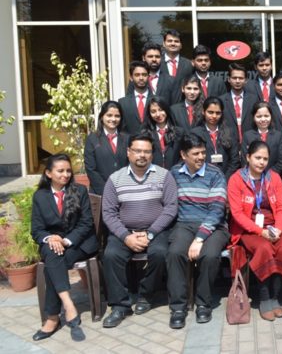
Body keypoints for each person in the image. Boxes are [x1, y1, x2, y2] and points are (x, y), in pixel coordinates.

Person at [101, 133, 178, 328]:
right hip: (125, 231)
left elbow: (171, 208)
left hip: (156, 230)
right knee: (110, 255)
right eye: (137, 151)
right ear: (128, 152)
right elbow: (109, 213)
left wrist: (151, 233)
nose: (142, 155)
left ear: (152, 154)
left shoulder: (164, 176)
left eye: (147, 151)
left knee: (160, 253)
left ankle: (146, 295)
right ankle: (120, 306)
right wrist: (126, 237)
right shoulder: (115, 179)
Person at [31, 154, 98, 342]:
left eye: (68, 170)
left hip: (79, 243)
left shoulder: (79, 191)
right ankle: (69, 306)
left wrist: (65, 241)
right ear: (48, 173)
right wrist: (50, 238)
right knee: (52, 254)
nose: (66, 174)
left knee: (52, 263)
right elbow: (37, 229)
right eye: (60, 171)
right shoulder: (40, 196)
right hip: (53, 245)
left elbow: (86, 224)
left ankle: (53, 318)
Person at [166, 133, 230, 329]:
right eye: (196, 153)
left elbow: (217, 209)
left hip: (214, 226)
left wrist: (200, 238)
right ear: (183, 155)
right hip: (184, 224)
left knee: (209, 255)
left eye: (203, 152)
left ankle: (203, 303)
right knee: (175, 253)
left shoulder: (215, 174)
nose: (201, 157)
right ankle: (178, 307)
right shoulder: (174, 173)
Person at [228, 141, 282, 321]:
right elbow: (237, 214)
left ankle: (275, 296)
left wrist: (279, 229)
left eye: (265, 159)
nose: (261, 162)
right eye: (257, 158)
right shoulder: (236, 179)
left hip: (273, 226)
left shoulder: (274, 177)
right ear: (248, 157)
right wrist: (260, 231)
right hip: (248, 228)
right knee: (264, 248)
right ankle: (264, 298)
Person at [84, 100, 129, 195]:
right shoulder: (92, 139)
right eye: (109, 115)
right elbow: (90, 169)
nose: (113, 119)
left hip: (124, 191)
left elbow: (131, 165)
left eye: (117, 116)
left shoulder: (127, 138)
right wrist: (106, 191)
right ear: (101, 117)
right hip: (101, 193)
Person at [191, 96, 241, 180]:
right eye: (210, 112)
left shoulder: (230, 132)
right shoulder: (195, 133)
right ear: (203, 111)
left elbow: (234, 161)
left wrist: (224, 179)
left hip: (225, 178)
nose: (214, 116)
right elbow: (193, 159)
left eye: (218, 113)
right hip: (202, 179)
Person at [241, 102, 282, 177]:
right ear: (254, 117)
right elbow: (244, 159)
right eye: (259, 116)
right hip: (252, 177)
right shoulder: (247, 136)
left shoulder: (278, 136)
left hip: (274, 177)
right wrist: (255, 174)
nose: (263, 119)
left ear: (271, 116)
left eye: (266, 116)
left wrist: (269, 175)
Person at [220, 63, 260, 142]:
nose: (237, 81)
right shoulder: (221, 100)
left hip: (250, 142)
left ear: (246, 80)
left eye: (241, 78)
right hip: (228, 142)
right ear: (229, 79)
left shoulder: (254, 99)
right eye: (234, 78)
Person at [143, 96, 184, 169]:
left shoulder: (179, 132)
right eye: (153, 111)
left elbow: (183, 155)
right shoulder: (145, 133)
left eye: (161, 110)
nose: (158, 114)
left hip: (174, 172)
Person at [118, 61, 151, 135]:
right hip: (130, 141)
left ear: (148, 76)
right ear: (131, 78)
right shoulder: (123, 103)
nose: (141, 78)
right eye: (137, 75)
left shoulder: (156, 101)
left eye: (144, 75)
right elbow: (121, 128)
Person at [162, 29, 194, 104]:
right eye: (169, 41)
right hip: (160, 107)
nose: (173, 43)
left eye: (176, 41)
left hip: (182, 107)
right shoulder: (157, 63)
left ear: (181, 45)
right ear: (164, 44)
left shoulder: (189, 64)